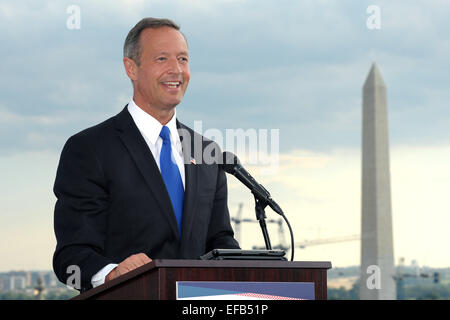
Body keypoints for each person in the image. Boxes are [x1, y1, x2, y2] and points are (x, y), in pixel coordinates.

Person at [52, 17, 240, 292]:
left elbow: (220, 240)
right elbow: (72, 255)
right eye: (162, 59)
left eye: (183, 59)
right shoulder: (89, 149)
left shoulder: (206, 152)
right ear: (131, 68)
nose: (176, 70)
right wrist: (112, 273)